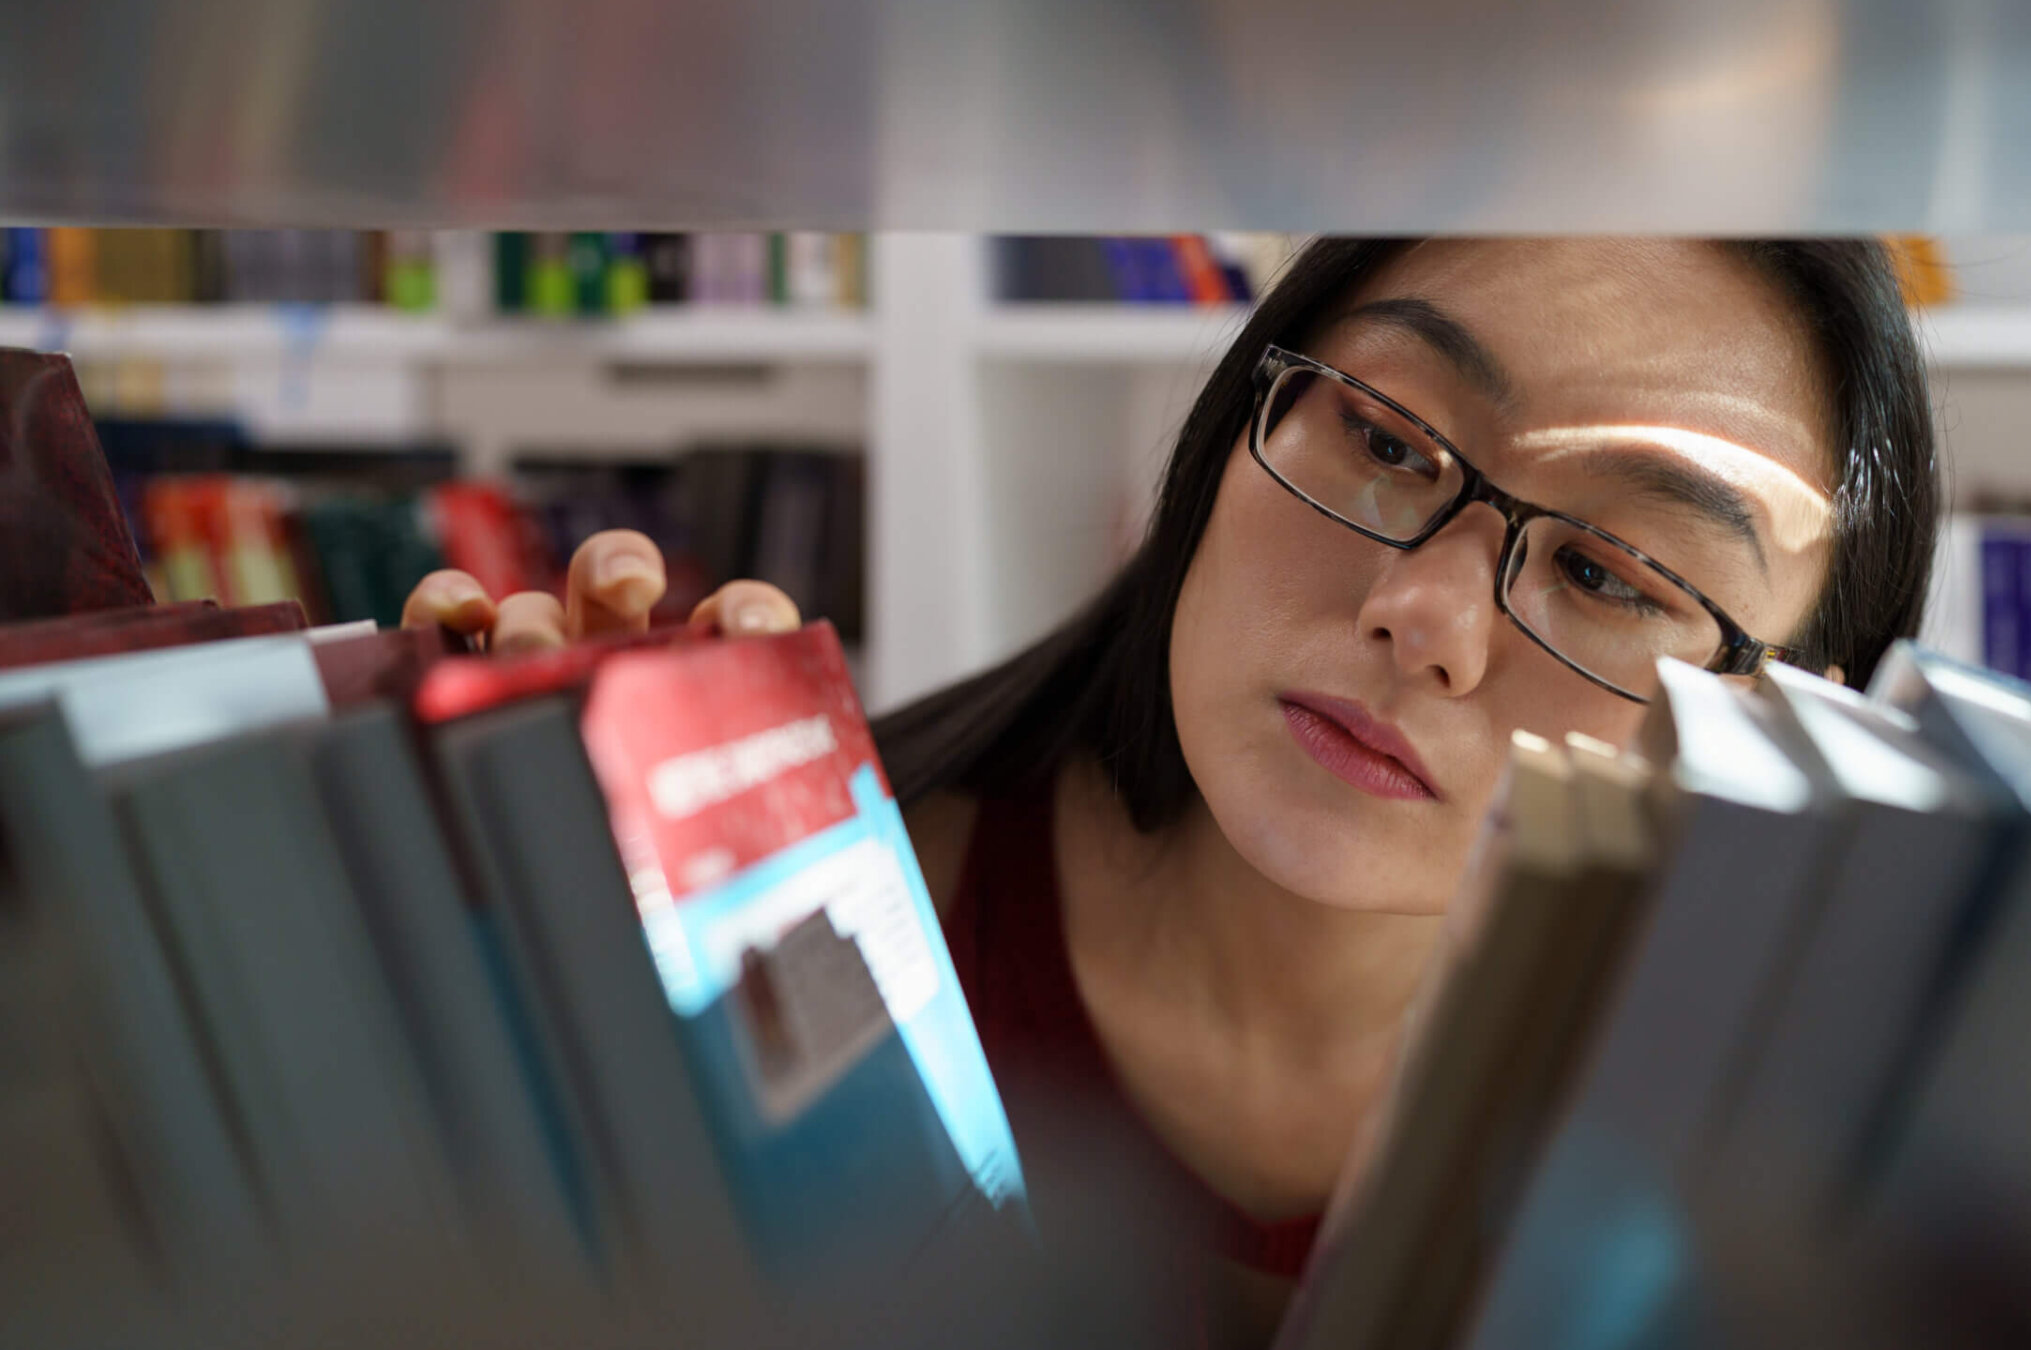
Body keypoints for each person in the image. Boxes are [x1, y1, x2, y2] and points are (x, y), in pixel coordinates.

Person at [405, 237, 1939, 1342]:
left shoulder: (1780, 1187)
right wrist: (502, 966)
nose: (1433, 616)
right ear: (1228, 433)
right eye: (1388, 438)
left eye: (1613, 573)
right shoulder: (822, 916)